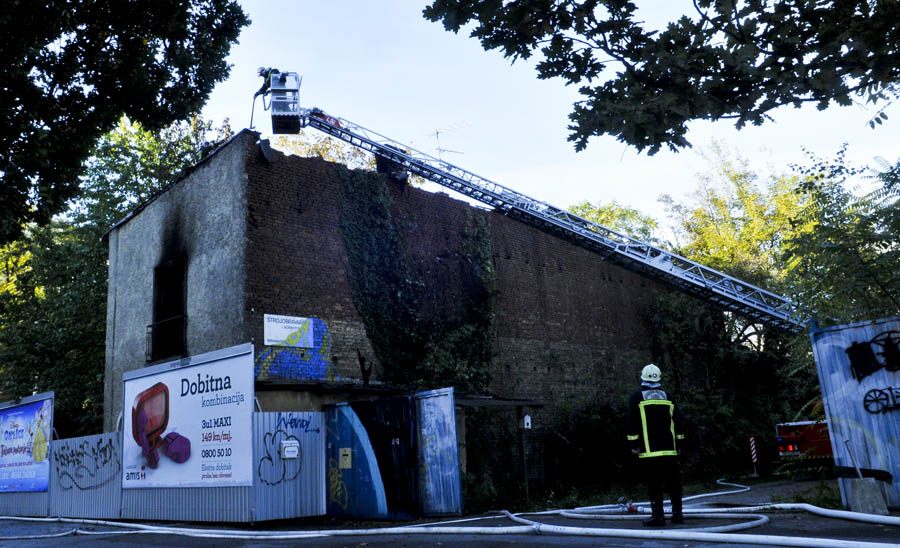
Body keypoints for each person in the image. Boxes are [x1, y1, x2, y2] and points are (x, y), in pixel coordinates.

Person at [626, 363, 685, 526]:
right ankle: (677, 515)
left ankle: (658, 516)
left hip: (649, 451)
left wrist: (633, 444)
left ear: (642, 379)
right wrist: (679, 443)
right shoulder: (669, 397)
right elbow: (678, 422)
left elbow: (632, 423)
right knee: (674, 483)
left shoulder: (637, 398)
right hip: (670, 451)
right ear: (659, 379)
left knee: (654, 484)